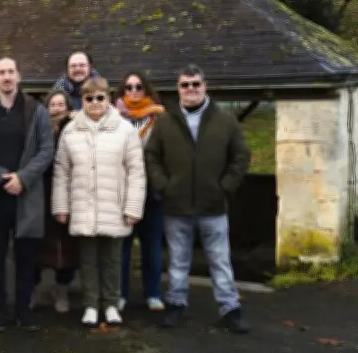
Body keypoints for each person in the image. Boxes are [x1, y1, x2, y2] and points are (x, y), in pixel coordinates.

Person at [144, 64, 251, 333]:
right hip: (176, 205)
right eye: (185, 84)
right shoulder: (166, 121)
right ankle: (176, 305)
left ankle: (230, 309)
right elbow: (152, 156)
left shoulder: (225, 120)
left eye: (195, 84)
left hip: (213, 205)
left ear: (205, 86)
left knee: (220, 260)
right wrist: (164, 185)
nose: (190, 89)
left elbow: (241, 155)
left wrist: (225, 186)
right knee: (178, 261)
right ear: (178, 88)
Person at [0, 57, 54, 332]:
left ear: (18, 76)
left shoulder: (35, 110)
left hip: (26, 195)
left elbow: (46, 150)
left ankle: (24, 310)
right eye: (1, 72)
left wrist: (22, 178)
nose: (6, 77)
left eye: (11, 72)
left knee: (26, 256)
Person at [52, 77, 146, 327]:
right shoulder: (70, 130)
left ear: (108, 99)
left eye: (100, 98)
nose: (95, 103)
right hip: (83, 205)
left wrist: (133, 207)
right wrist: (61, 206)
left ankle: (111, 304)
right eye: (89, 98)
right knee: (87, 260)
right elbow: (61, 171)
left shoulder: (126, 130)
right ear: (82, 100)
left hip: (114, 206)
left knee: (113, 260)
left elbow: (136, 171)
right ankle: (91, 305)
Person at [114, 71, 166, 312]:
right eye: (128, 87)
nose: (133, 91)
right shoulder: (113, 119)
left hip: (152, 193)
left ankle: (153, 293)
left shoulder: (159, 119)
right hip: (122, 192)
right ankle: (121, 294)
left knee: (152, 245)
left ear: (146, 89)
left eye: (138, 86)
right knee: (122, 247)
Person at [33, 90, 79, 314]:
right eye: (53, 104)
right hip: (40, 195)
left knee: (68, 248)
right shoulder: (37, 129)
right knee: (36, 246)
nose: (57, 108)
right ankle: (31, 289)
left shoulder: (76, 130)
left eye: (61, 104)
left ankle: (61, 289)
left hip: (69, 195)